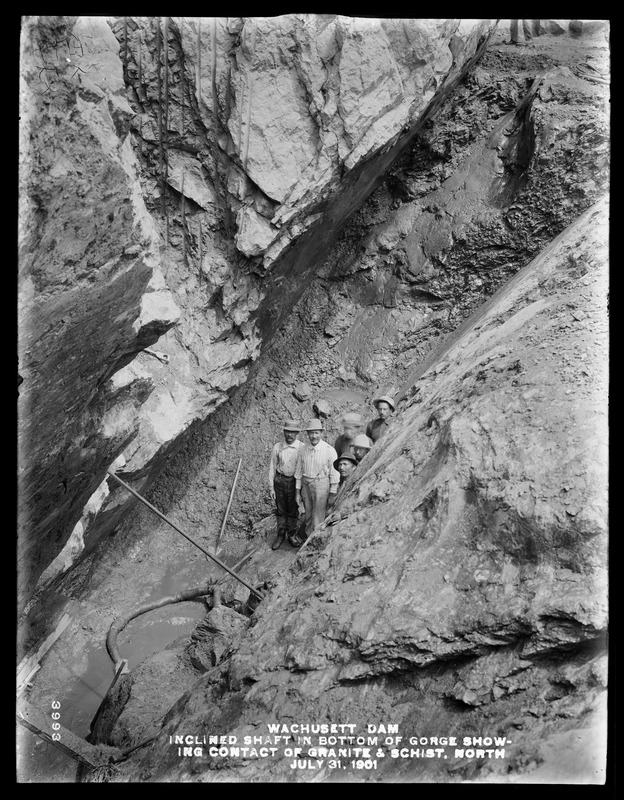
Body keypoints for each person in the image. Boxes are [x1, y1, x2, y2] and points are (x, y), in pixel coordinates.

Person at [294, 419, 340, 544]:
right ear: (307, 434)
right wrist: (297, 492)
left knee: (318, 515)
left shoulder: (329, 450)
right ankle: (308, 539)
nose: (313, 436)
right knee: (308, 513)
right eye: (311, 433)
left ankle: (315, 541)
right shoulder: (303, 449)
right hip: (306, 484)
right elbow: (298, 471)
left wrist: (332, 493)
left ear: (321, 433)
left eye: (316, 433)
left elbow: (334, 473)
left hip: (321, 485)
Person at [268, 419, 305, 550]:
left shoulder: (301, 447)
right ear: (284, 431)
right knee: (280, 510)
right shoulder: (277, 447)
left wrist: (300, 489)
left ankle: (292, 535)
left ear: (297, 434)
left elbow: (302, 468)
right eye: (288, 431)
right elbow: (272, 467)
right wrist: (271, 487)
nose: (290, 435)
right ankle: (280, 535)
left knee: (293, 509)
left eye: (293, 432)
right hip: (280, 481)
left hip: (295, 481)